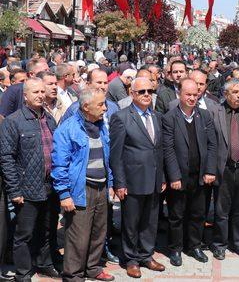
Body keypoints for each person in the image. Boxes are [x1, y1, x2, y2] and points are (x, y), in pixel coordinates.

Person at [51, 88, 115, 282]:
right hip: (81, 189)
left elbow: (106, 158)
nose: (105, 108)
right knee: (78, 236)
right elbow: (60, 163)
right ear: (86, 106)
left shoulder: (101, 126)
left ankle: (93, 268)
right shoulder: (68, 129)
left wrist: (110, 182)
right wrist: (64, 194)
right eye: (101, 104)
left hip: (101, 187)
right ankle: (73, 275)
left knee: (98, 232)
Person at [0, 78, 60, 281]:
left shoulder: (50, 119)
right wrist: (14, 190)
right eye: (36, 92)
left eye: (43, 91)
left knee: (46, 230)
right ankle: (23, 273)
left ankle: (44, 263)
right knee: (23, 235)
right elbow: (6, 157)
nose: (41, 95)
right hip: (27, 188)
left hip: (50, 186)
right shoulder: (13, 121)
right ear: (25, 96)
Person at [109, 77, 166, 278]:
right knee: (131, 222)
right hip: (132, 180)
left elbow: (160, 149)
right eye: (141, 92)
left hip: (154, 178)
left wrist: (163, 176)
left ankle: (146, 255)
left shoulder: (157, 117)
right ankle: (131, 259)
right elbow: (115, 154)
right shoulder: (121, 117)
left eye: (149, 91)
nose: (146, 95)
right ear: (132, 94)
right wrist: (119, 182)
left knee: (150, 221)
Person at [162, 78, 217, 267]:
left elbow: (212, 145)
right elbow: (167, 149)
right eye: (188, 94)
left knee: (198, 213)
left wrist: (210, 170)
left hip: (200, 175)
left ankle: (194, 245)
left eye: (195, 94)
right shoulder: (170, 118)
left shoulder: (205, 116)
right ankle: (175, 248)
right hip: (180, 177)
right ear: (180, 94)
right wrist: (174, 176)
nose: (192, 98)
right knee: (176, 215)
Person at [210, 79, 239, 260]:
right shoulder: (215, 111)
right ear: (225, 94)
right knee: (221, 210)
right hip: (224, 168)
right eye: (235, 92)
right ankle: (219, 244)